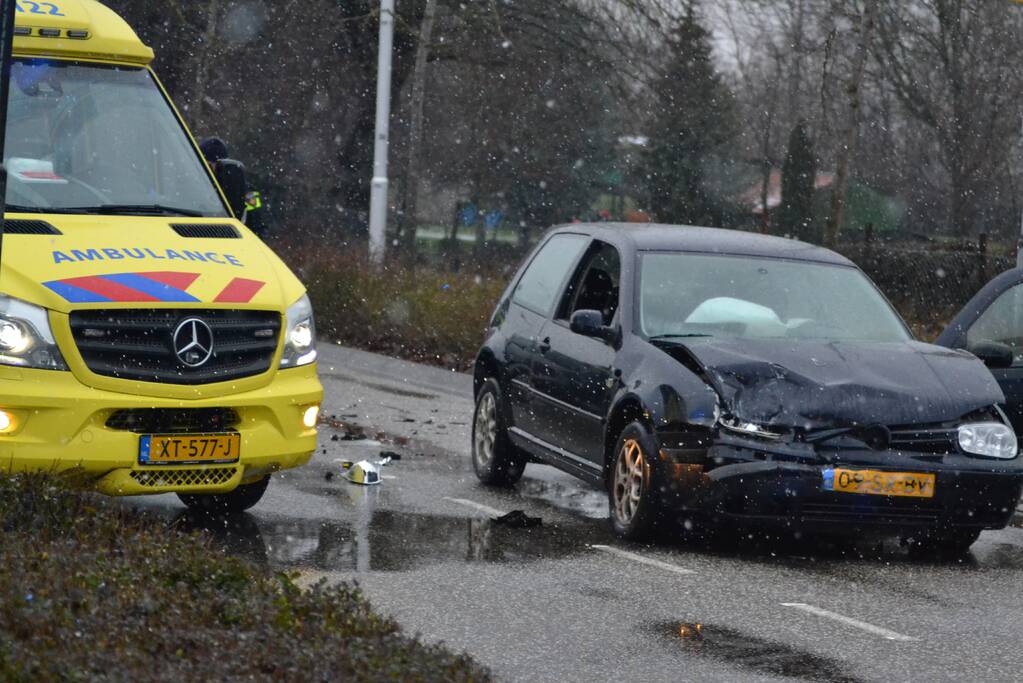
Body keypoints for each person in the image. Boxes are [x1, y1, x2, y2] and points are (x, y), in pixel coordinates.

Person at [199, 137, 267, 237]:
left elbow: (256, 227)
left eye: (207, 165)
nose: (203, 169)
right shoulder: (199, 186)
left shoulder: (242, 189)